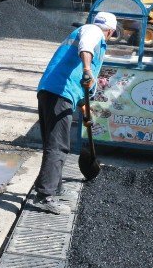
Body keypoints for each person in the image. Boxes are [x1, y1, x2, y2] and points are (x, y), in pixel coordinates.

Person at [33, 11, 117, 215]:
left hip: (54, 91)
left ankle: (56, 188)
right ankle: (45, 196)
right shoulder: (93, 31)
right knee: (58, 146)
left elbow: (79, 87)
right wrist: (88, 69)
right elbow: (85, 48)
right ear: (111, 31)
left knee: (54, 144)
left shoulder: (84, 30)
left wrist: (86, 113)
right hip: (58, 93)